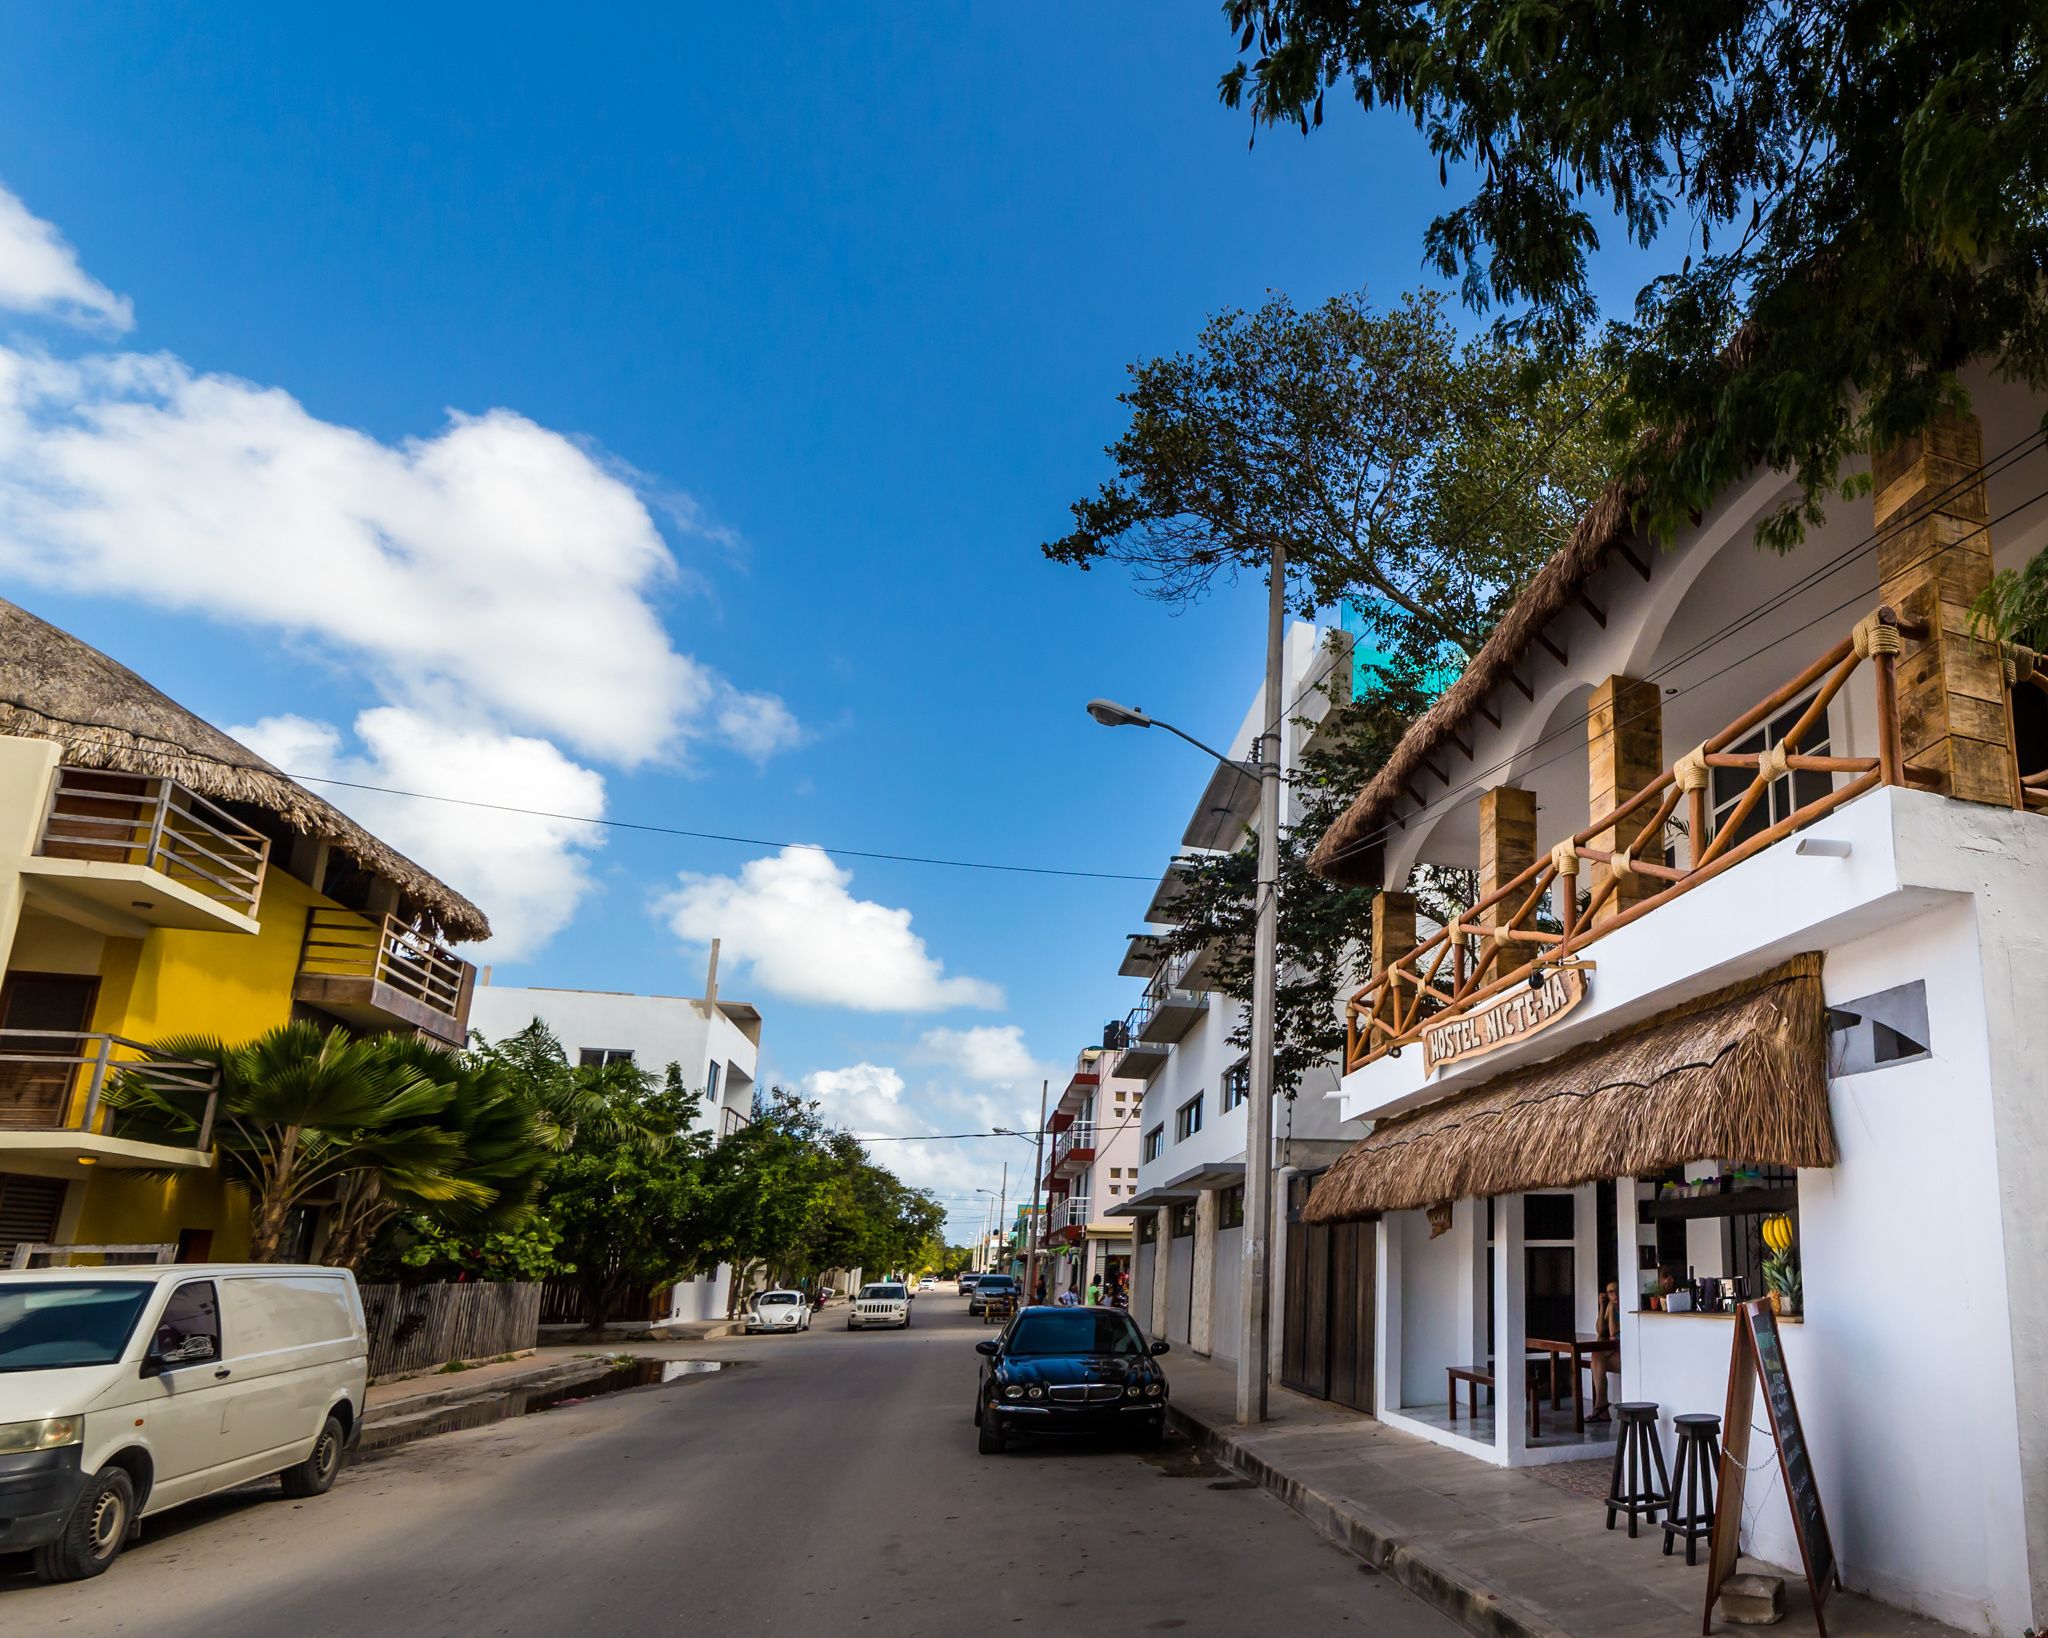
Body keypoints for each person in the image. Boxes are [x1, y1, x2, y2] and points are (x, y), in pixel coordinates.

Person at [1587, 1281, 1621, 1421]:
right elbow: (1600, 1330)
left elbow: (1613, 1332)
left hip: (1630, 1354)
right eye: (1611, 1292)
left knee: (1597, 1358)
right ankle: (1601, 1407)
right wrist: (1602, 1307)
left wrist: (1612, 1309)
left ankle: (1600, 1406)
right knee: (1596, 1356)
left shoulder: (1627, 1304)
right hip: (1617, 1351)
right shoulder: (1610, 1306)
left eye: (1617, 1291)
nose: (1615, 1294)